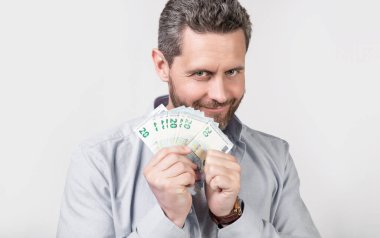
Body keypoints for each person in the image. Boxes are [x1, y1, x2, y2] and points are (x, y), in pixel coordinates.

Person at [57, 0, 321, 237]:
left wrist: (233, 217)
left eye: (232, 71)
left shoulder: (276, 158)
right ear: (162, 66)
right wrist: (167, 219)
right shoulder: (98, 162)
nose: (220, 95)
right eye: (201, 74)